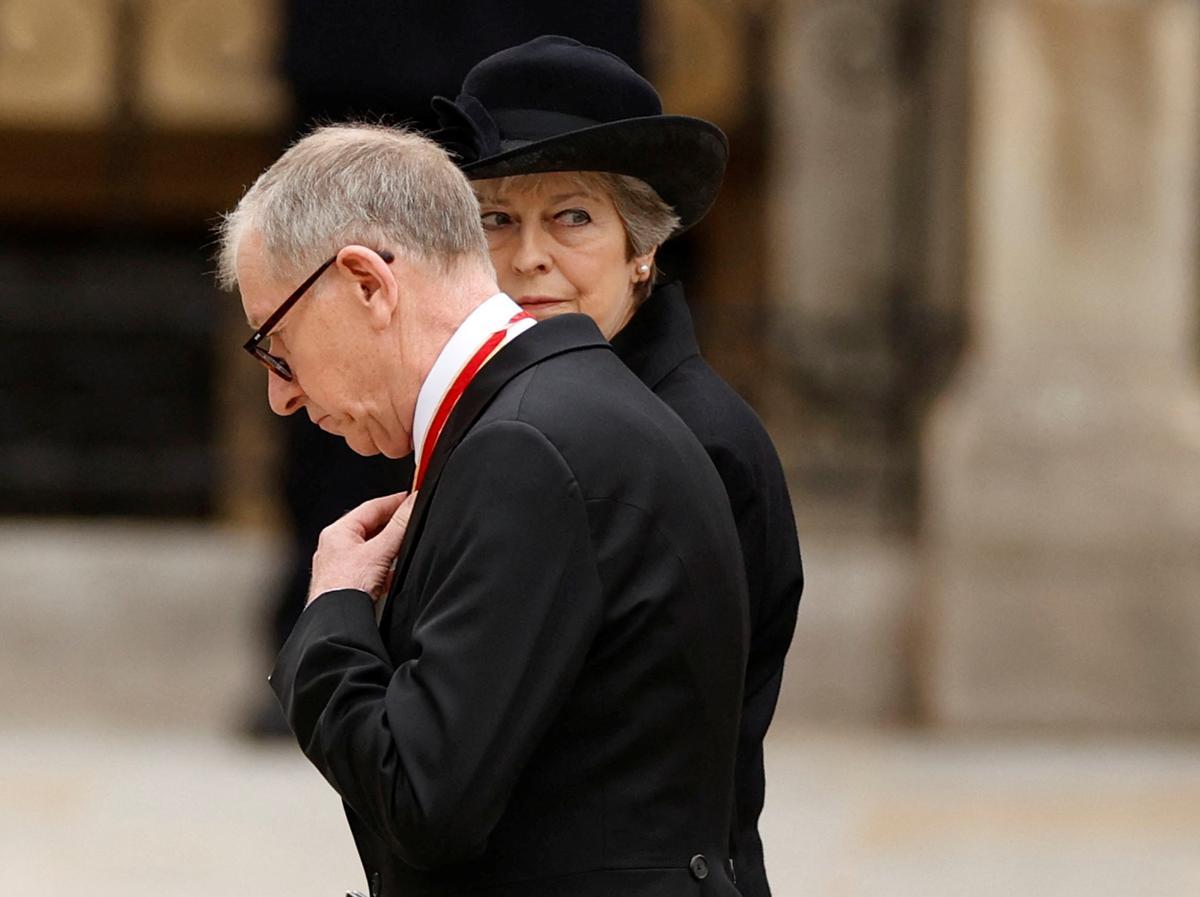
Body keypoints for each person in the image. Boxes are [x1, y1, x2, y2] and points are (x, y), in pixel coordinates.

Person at [216, 124, 748, 896]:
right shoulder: (552, 409)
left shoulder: (524, 448)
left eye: (275, 343)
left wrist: (331, 617)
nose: (281, 392)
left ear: (367, 282)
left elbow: (425, 798)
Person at [431, 35, 804, 897]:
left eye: (572, 217)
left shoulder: (694, 440)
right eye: (496, 218)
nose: (528, 257)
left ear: (642, 249)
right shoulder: (513, 413)